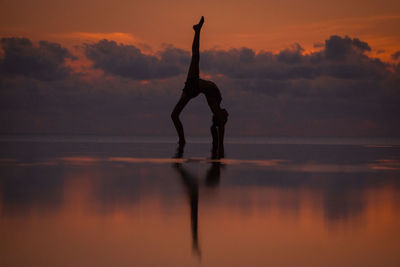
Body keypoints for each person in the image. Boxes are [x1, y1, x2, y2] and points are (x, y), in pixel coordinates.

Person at [171, 16, 228, 158]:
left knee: (195, 56)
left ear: (218, 117)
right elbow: (220, 125)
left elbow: (221, 125)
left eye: (225, 115)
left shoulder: (216, 107)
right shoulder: (216, 103)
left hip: (194, 85)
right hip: (194, 86)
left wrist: (220, 145)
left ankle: (198, 30)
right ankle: (182, 140)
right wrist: (219, 145)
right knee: (174, 115)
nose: (227, 113)